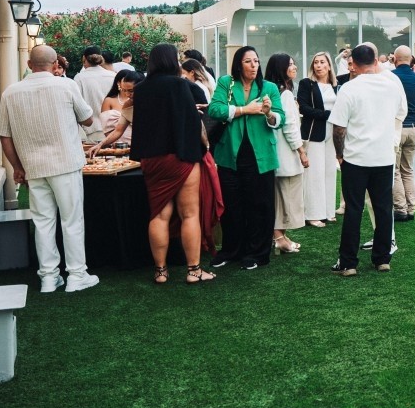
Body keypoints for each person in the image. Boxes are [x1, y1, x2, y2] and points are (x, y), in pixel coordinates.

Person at [112, 43, 219, 284]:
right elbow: (191, 123)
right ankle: (194, 270)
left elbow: (134, 119)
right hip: (181, 156)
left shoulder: (141, 90)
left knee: (159, 214)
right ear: (172, 61)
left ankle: (160, 272)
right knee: (189, 214)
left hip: (152, 159)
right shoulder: (180, 85)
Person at [0, 45, 99, 293]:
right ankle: (76, 275)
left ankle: (48, 277)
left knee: (43, 222)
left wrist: (17, 167)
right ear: (55, 65)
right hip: (66, 163)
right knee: (72, 220)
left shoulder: (10, 92)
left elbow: (5, 136)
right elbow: (87, 119)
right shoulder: (66, 85)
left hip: (33, 166)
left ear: (29, 63)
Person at [331, 43, 406, 276]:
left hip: (356, 158)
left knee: (353, 210)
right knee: (383, 209)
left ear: (352, 63)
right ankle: (382, 259)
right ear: (376, 61)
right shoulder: (392, 86)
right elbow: (400, 115)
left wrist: (339, 154)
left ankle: (348, 263)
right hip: (383, 157)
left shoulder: (348, 89)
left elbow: (338, 129)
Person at [207, 45, 284, 271]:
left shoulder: (268, 87)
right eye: (248, 61)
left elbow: (282, 119)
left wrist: (269, 113)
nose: (254, 65)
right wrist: (245, 110)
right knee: (232, 205)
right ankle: (231, 250)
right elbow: (215, 110)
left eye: (256, 61)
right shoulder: (226, 83)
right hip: (230, 154)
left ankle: (257, 253)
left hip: (261, 156)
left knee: (260, 205)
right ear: (239, 64)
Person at [265, 53, 308, 254]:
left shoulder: (271, 91)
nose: (294, 67)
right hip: (286, 154)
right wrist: (301, 151)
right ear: (281, 69)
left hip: (275, 153)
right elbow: (290, 126)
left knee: (279, 197)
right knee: (285, 198)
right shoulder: (285, 94)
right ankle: (279, 237)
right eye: (290, 64)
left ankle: (281, 235)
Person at [298, 51, 340, 227]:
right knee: (314, 174)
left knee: (329, 171)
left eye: (322, 62)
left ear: (329, 65)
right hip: (314, 133)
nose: (319, 65)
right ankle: (312, 214)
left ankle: (328, 211)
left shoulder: (336, 86)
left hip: (332, 134)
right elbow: (304, 108)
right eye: (316, 62)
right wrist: (327, 114)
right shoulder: (306, 84)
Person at [390, 46, 415, 222]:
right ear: (411, 59)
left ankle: (400, 208)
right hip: (414, 127)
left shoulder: (391, 77)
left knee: (395, 170)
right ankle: (411, 208)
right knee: (408, 170)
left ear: (395, 58)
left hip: (398, 128)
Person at [73, 45, 118, 142]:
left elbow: (77, 105)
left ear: (84, 58)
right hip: (114, 128)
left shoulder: (79, 78)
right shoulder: (113, 76)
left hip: (91, 130)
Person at [99, 69, 141, 146]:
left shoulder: (151, 101)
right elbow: (118, 130)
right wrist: (100, 145)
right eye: (124, 90)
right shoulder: (128, 104)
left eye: (131, 91)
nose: (127, 94)